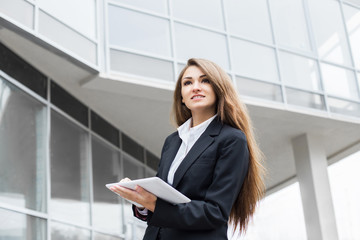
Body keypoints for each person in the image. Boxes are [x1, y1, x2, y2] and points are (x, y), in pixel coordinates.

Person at [110, 58, 265, 240]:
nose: (196, 87)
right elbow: (162, 206)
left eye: (205, 80)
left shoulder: (231, 139)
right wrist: (141, 201)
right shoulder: (172, 141)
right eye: (188, 83)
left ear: (218, 89)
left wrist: (154, 204)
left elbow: (215, 212)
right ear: (182, 97)